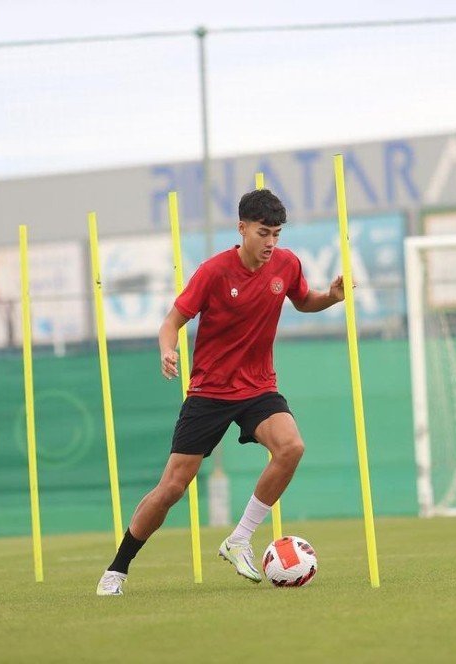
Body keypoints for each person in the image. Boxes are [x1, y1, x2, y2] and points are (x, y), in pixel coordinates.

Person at [96, 188, 349, 596]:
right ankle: (117, 568)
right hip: (210, 392)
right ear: (242, 228)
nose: (271, 243)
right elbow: (170, 322)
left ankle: (239, 539)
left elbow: (303, 302)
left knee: (291, 447)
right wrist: (167, 351)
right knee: (172, 489)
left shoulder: (287, 264)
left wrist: (331, 299)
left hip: (258, 387)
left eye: (277, 234)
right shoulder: (213, 272)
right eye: (264, 233)